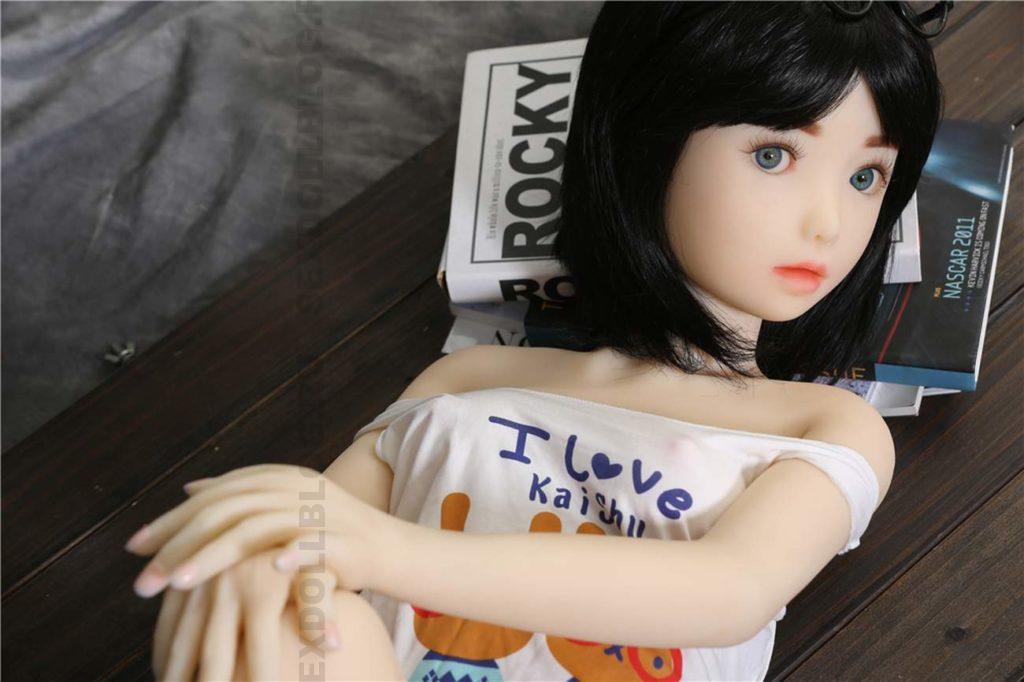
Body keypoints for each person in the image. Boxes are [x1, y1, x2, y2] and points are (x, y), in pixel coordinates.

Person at [123, 1, 946, 679]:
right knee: (262, 589)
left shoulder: (823, 426)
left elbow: (730, 591)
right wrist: (263, 538)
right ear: (645, 138)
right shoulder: (470, 377)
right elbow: (319, 527)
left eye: (865, 176)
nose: (827, 222)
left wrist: (383, 552)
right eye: (773, 155)